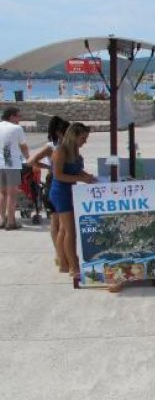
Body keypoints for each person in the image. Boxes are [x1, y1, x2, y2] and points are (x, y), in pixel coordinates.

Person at [49, 123, 97, 278]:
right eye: (83, 138)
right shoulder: (60, 150)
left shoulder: (75, 151)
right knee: (70, 230)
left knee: (64, 229)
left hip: (71, 190)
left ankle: (64, 262)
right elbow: (58, 175)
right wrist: (81, 178)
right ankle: (73, 266)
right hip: (61, 192)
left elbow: (76, 169)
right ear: (74, 136)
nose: (85, 141)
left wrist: (86, 176)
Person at [27, 116, 70, 268]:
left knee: (60, 222)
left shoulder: (63, 146)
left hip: (59, 180)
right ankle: (60, 255)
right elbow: (32, 161)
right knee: (57, 221)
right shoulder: (52, 146)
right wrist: (49, 167)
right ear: (60, 132)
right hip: (55, 182)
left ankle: (61, 255)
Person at [0, 107, 30, 231]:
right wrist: (27, 157)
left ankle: (2, 219)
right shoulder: (17, 128)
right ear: (11, 116)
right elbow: (23, 146)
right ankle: (11, 222)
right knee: (12, 195)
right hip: (11, 165)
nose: (20, 118)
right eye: (18, 116)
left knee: (2, 193)